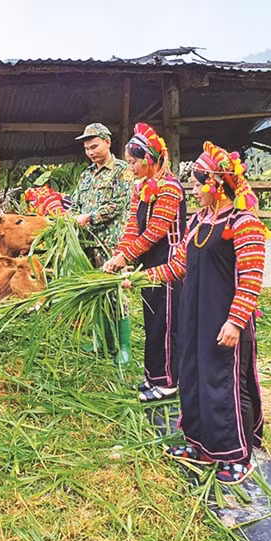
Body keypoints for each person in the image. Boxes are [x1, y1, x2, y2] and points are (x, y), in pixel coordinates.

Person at [138, 141, 267, 484]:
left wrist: (236, 321)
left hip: (224, 319)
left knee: (224, 381)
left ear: (217, 184)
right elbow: (178, 265)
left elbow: (251, 278)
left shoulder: (244, 223)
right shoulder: (198, 220)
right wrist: (139, 278)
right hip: (194, 315)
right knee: (193, 375)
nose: (193, 191)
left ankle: (237, 455)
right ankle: (199, 445)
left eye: (197, 185)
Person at [103, 123, 186, 402]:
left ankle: (169, 382)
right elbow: (133, 227)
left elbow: (155, 231)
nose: (131, 167)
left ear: (149, 158)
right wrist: (119, 254)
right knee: (152, 320)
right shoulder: (140, 188)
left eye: (133, 162)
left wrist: (126, 256)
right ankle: (154, 376)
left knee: (166, 321)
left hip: (170, 262)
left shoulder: (170, 188)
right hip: (149, 261)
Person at [72, 122, 134, 363]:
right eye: (87, 149)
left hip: (110, 243)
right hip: (87, 243)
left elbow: (119, 203)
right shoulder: (86, 175)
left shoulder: (122, 171)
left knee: (115, 293)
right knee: (95, 292)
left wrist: (89, 217)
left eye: (94, 146)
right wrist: (69, 219)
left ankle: (124, 347)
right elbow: (75, 203)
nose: (90, 152)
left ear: (108, 142)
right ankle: (102, 342)